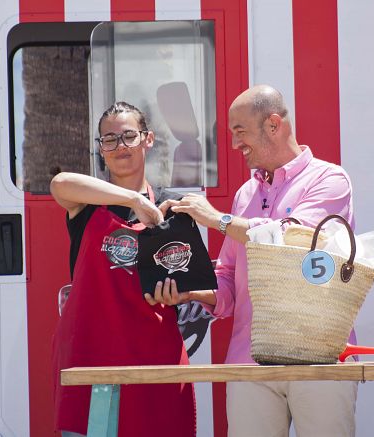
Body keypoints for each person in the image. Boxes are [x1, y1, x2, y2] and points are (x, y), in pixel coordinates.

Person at [147, 85, 358, 437]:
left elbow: (293, 241)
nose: (234, 144)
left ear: (273, 124)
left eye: (239, 131)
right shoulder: (246, 193)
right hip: (249, 357)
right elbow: (229, 277)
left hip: (320, 355)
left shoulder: (330, 179)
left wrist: (216, 219)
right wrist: (191, 292)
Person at [49, 101, 195, 437]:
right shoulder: (85, 202)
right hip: (91, 357)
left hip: (154, 356)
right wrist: (134, 201)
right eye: (109, 140)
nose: (120, 146)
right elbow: (59, 183)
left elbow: (190, 281)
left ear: (148, 139)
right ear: (101, 150)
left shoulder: (172, 206)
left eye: (129, 136)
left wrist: (178, 293)